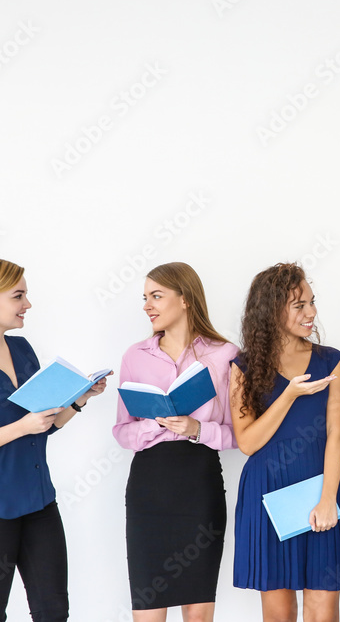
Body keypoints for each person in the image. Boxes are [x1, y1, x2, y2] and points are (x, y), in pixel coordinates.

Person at [0, 256, 108, 622]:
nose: (27, 305)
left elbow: (43, 425)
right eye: (18, 296)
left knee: (53, 611)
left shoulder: (23, 350)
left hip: (38, 499)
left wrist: (80, 398)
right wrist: (20, 427)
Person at [230, 262, 340, 622]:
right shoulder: (243, 368)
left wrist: (328, 500)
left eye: (312, 302)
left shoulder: (331, 361)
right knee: (279, 613)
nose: (311, 313)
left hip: (324, 490)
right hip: (267, 496)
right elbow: (247, 442)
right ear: (272, 311)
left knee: (322, 611)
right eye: (299, 305)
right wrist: (289, 394)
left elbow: (337, 433)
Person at [112, 262, 238, 622]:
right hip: (148, 491)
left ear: (184, 299)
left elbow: (238, 434)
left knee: (198, 613)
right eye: (145, 298)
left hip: (200, 489)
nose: (147, 305)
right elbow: (121, 430)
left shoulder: (224, 354)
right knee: (149, 611)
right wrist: (155, 426)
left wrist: (197, 429)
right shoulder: (135, 356)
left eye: (156, 296)